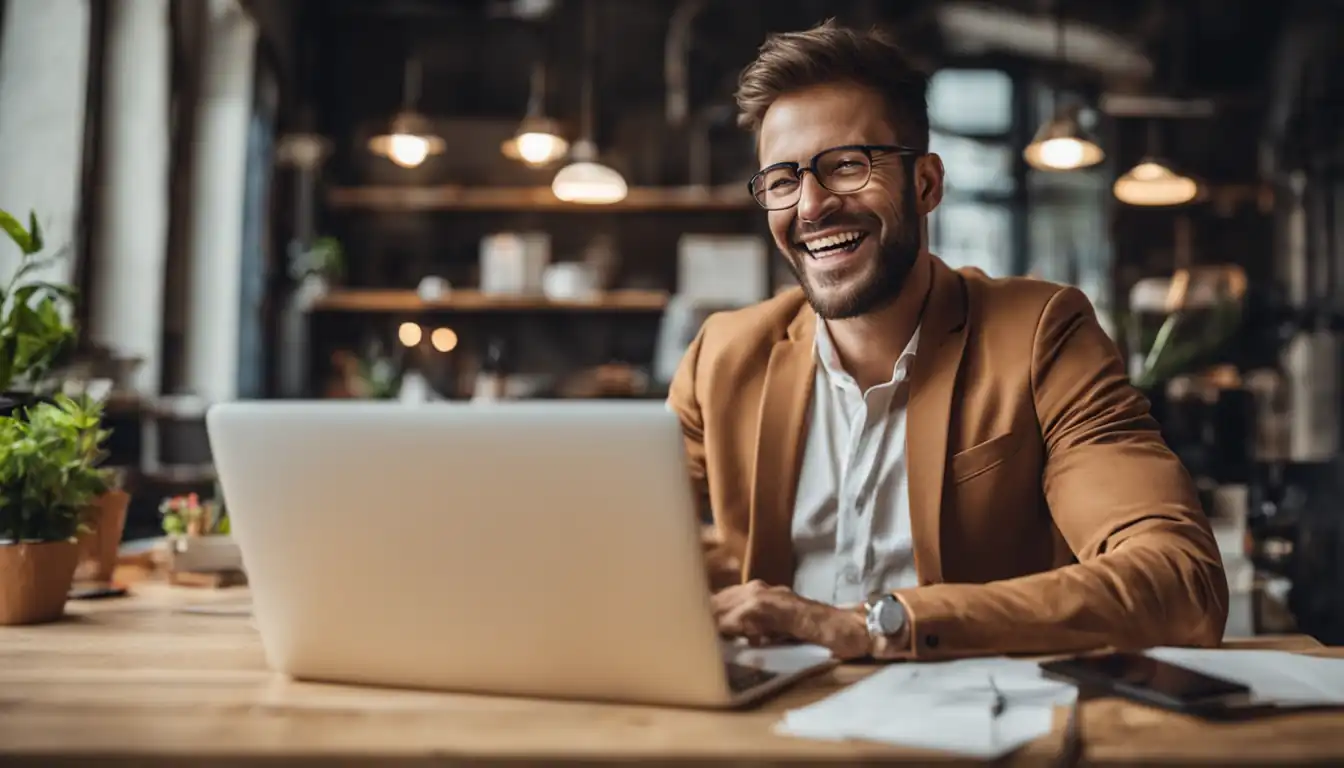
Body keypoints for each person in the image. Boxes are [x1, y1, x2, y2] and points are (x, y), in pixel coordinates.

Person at [666, 20, 1228, 662]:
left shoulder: (1042, 334)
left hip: (980, 733)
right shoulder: (723, 355)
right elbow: (621, 547)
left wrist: (881, 625)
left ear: (926, 184)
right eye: (783, 181)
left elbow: (1181, 582)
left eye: (847, 166)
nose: (812, 207)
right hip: (770, 730)